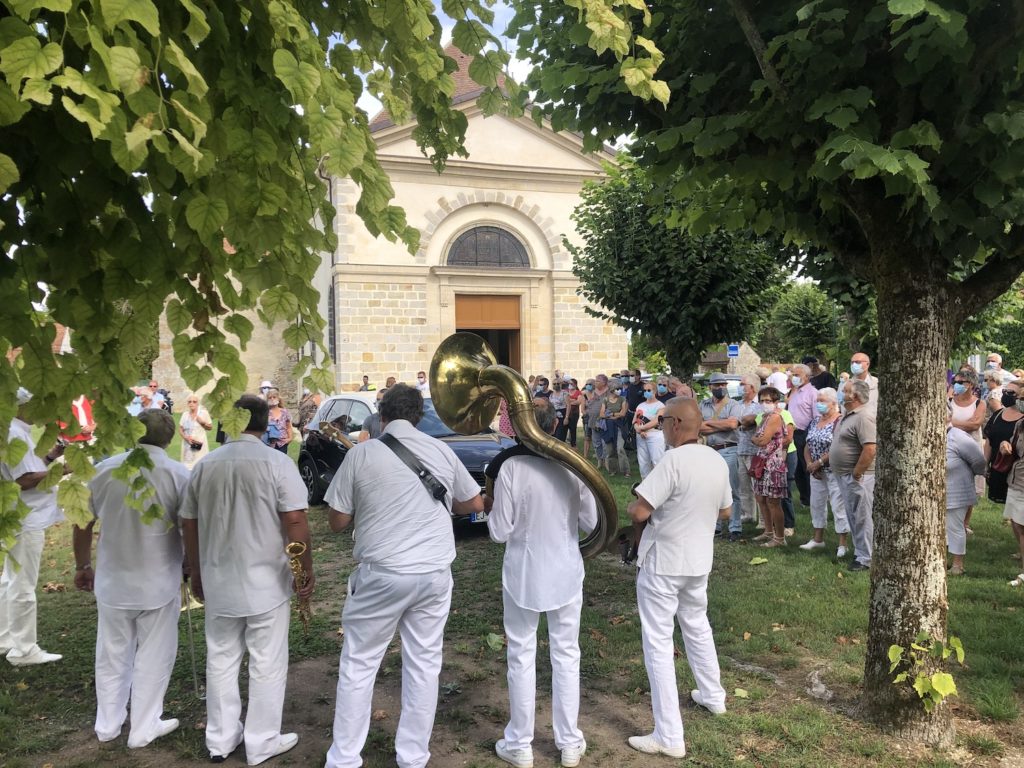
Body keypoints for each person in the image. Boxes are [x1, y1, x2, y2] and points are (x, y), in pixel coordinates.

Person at [322, 385, 482, 768]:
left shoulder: (361, 454)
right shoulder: (442, 449)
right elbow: (472, 503)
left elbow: (336, 522)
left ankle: (344, 758)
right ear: (417, 416)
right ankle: (413, 756)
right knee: (425, 663)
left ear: (381, 415)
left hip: (383, 573)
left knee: (360, 664)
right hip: (433, 572)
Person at [181, 394, 314, 765]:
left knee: (221, 659)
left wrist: (195, 569)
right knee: (266, 661)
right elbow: (296, 521)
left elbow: (188, 523)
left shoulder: (206, 465)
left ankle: (220, 739)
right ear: (263, 422)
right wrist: (307, 568)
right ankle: (261, 741)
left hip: (219, 577)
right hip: (265, 582)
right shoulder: (275, 462)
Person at [485, 399, 595, 768]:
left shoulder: (511, 467)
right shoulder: (572, 465)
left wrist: (490, 505)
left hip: (524, 571)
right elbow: (593, 523)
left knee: (521, 654)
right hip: (565, 568)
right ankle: (569, 743)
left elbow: (499, 532)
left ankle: (519, 743)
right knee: (567, 654)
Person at [73, 409, 191, 747]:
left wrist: (82, 564)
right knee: (154, 653)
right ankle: (143, 725)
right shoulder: (176, 473)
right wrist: (189, 564)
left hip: (114, 577)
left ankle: (108, 724)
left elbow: (82, 522)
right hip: (157, 578)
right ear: (169, 439)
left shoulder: (104, 469)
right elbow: (189, 526)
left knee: (111, 654)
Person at [626, 398, 731, 760]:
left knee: (657, 641)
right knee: (697, 625)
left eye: (662, 421)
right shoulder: (715, 459)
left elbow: (640, 510)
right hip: (698, 558)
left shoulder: (671, 461)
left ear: (673, 424)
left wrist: (632, 505)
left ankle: (669, 734)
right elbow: (726, 510)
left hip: (664, 561)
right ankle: (713, 695)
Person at [0, 388, 65, 666]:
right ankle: (24, 649)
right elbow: (25, 479)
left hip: (16, 516)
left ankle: (5, 638)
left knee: (9, 580)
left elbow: (26, 469)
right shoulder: (14, 433)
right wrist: (66, 470)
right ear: (22, 407)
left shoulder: (15, 431)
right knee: (23, 584)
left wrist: (51, 457)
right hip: (26, 518)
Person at [798, 388, 849, 558]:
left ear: (834, 403)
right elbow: (807, 445)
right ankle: (818, 539)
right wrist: (810, 464)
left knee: (838, 505)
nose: (819, 404)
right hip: (816, 471)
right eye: (817, 400)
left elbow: (837, 446)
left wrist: (819, 462)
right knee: (817, 504)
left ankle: (843, 544)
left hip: (834, 469)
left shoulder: (840, 421)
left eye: (823, 401)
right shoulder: (814, 421)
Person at [833, 379, 877, 572]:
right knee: (854, 515)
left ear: (856, 396)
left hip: (859, 476)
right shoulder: (848, 415)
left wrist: (857, 472)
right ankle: (861, 552)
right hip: (845, 474)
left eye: (845, 391)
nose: (842, 394)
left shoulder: (863, 416)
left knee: (862, 517)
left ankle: (865, 558)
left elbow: (870, 448)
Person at [699, 372, 742, 540]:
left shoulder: (733, 404)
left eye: (723, 385)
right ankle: (716, 526)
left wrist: (709, 423)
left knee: (732, 489)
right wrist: (720, 425)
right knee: (711, 489)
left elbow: (732, 424)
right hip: (710, 450)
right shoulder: (703, 404)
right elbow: (698, 427)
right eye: (717, 385)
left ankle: (735, 527)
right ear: (710, 387)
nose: (721, 388)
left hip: (729, 449)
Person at [945, 420, 987, 575]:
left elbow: (979, 460)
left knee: (955, 527)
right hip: (937, 492)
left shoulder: (958, 437)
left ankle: (957, 565)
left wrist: (972, 474)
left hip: (957, 490)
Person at [750, 387, 790, 548]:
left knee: (773, 501)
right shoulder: (764, 417)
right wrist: (757, 438)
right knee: (761, 498)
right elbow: (757, 438)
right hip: (762, 462)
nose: (764, 404)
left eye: (768, 401)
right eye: (762, 401)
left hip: (774, 464)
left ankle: (780, 537)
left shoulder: (775, 417)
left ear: (775, 402)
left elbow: (762, 440)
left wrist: (756, 438)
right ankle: (768, 531)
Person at [949, 369, 986, 533]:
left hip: (971, 447)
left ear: (970, 385)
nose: (955, 385)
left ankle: (965, 523)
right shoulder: (948, 400)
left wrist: (951, 423)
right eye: (954, 382)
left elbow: (975, 424)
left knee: (969, 485)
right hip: (950, 448)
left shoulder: (979, 403)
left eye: (960, 382)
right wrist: (964, 423)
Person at [983, 378, 1024, 506]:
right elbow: (989, 440)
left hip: (1017, 470)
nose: (1006, 394)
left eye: (1011, 393)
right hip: (998, 465)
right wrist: (985, 464)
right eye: (1005, 391)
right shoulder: (998, 414)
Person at [999, 387, 1024, 586]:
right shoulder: (1020, 424)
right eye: (1020, 398)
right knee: (1017, 524)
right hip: (1016, 479)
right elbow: (1015, 447)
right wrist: (1005, 446)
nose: (1020, 401)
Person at [787, 363, 818, 508]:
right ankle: (804, 498)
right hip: (791, 432)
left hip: (804, 433)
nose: (794, 377)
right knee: (797, 468)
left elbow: (816, 416)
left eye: (797, 375)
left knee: (805, 465)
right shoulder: (794, 392)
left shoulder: (812, 393)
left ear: (806, 377)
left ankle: (811, 498)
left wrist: (809, 435)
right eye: (793, 374)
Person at [735, 374, 763, 525]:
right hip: (740, 449)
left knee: (757, 486)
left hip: (754, 451)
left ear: (752, 387)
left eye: (742, 384)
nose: (740, 387)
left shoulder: (759, 406)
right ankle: (748, 514)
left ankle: (763, 519)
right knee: (744, 486)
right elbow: (739, 422)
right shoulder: (737, 405)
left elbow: (752, 421)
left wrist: (743, 422)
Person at [634, 381, 667, 478]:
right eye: (644, 390)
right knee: (643, 463)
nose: (646, 392)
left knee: (657, 461)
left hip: (655, 435)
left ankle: (660, 485)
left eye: (649, 390)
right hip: (641, 436)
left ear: (654, 391)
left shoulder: (660, 406)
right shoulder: (640, 405)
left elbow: (658, 420)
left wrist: (642, 428)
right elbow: (635, 421)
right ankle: (645, 486)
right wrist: (639, 430)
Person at [598, 380, 630, 476]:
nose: (619, 390)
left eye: (620, 389)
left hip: (619, 426)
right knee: (610, 450)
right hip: (608, 427)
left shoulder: (623, 399)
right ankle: (612, 470)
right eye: (617, 389)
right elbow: (602, 414)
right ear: (612, 390)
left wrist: (610, 414)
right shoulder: (605, 400)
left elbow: (623, 413)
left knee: (620, 448)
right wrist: (615, 415)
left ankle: (626, 471)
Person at [179, 393, 213, 469]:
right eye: (189, 401)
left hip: (199, 445)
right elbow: (180, 429)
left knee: (199, 466)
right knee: (187, 467)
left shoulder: (203, 413)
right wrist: (185, 438)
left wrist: (203, 423)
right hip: (187, 445)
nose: (191, 403)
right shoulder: (185, 414)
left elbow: (210, 427)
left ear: (198, 403)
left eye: (194, 401)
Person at [585, 375, 610, 465]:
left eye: (598, 381)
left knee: (604, 442)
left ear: (604, 383)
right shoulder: (591, 392)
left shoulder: (609, 392)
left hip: (604, 421)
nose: (595, 383)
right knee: (596, 442)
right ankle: (600, 460)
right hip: (592, 420)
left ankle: (606, 461)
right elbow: (587, 404)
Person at [263, 388, 293, 454]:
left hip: (282, 443)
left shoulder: (285, 412)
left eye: (274, 397)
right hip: (268, 443)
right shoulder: (265, 413)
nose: (272, 399)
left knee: (281, 462)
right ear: (267, 400)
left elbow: (289, 427)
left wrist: (290, 438)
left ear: (278, 398)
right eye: (270, 398)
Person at [565, 379, 584, 449]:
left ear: (575, 385)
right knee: (565, 428)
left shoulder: (578, 392)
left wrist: (568, 402)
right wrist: (572, 400)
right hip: (566, 413)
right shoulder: (565, 392)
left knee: (573, 429)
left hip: (574, 414)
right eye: (569, 383)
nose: (570, 385)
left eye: (571, 383)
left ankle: (573, 445)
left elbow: (578, 402)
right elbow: (563, 401)